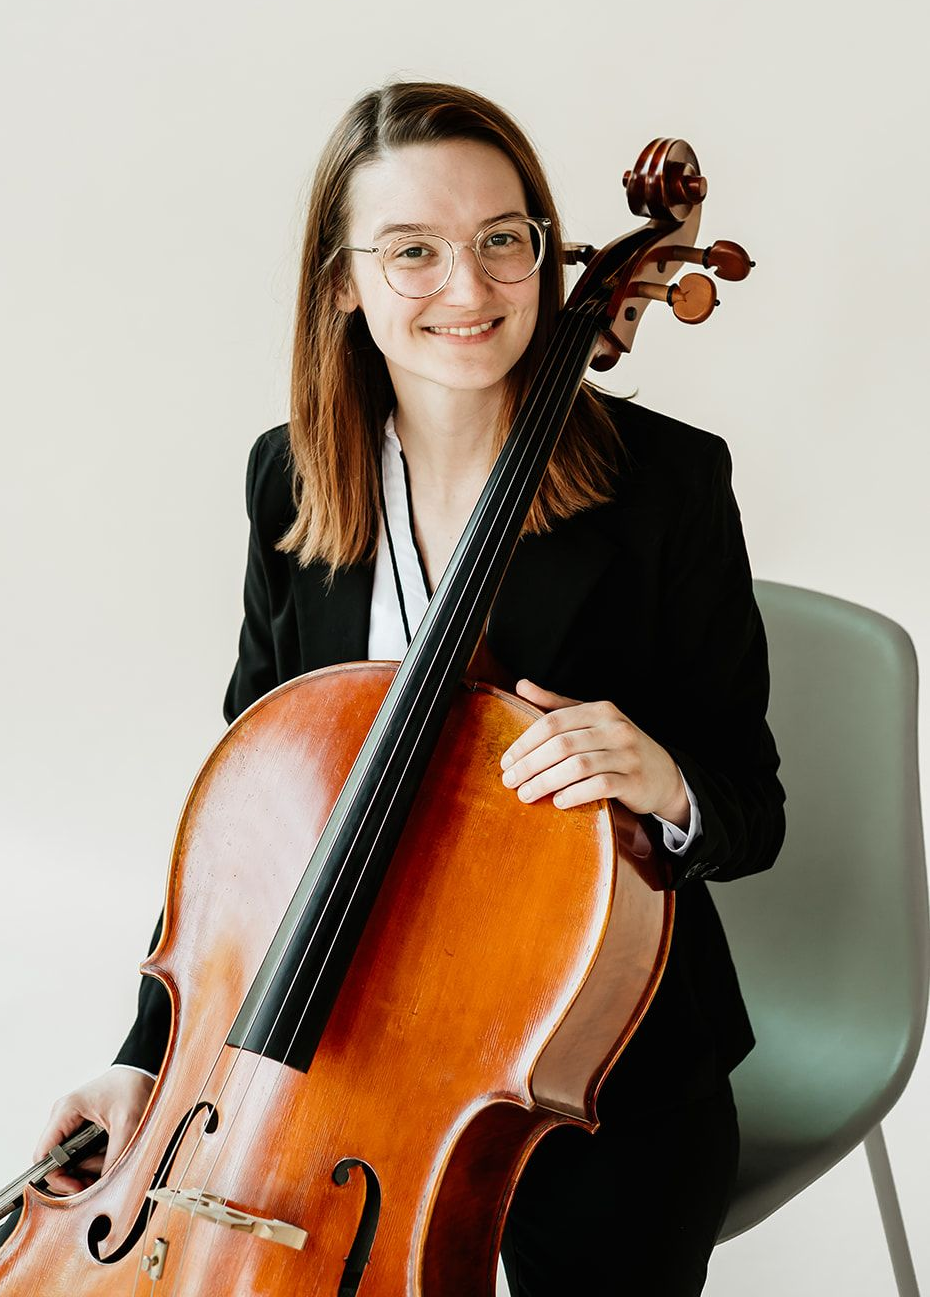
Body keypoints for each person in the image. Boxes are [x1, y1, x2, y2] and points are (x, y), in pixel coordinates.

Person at [19, 81, 785, 1294]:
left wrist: (664, 778)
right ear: (343, 281)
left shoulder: (670, 486)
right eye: (413, 251)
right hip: (308, 1058)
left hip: (580, 1082)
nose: (469, 291)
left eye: (501, 242)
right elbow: (246, 844)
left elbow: (750, 803)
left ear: (550, 254)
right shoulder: (290, 481)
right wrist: (149, 1063)